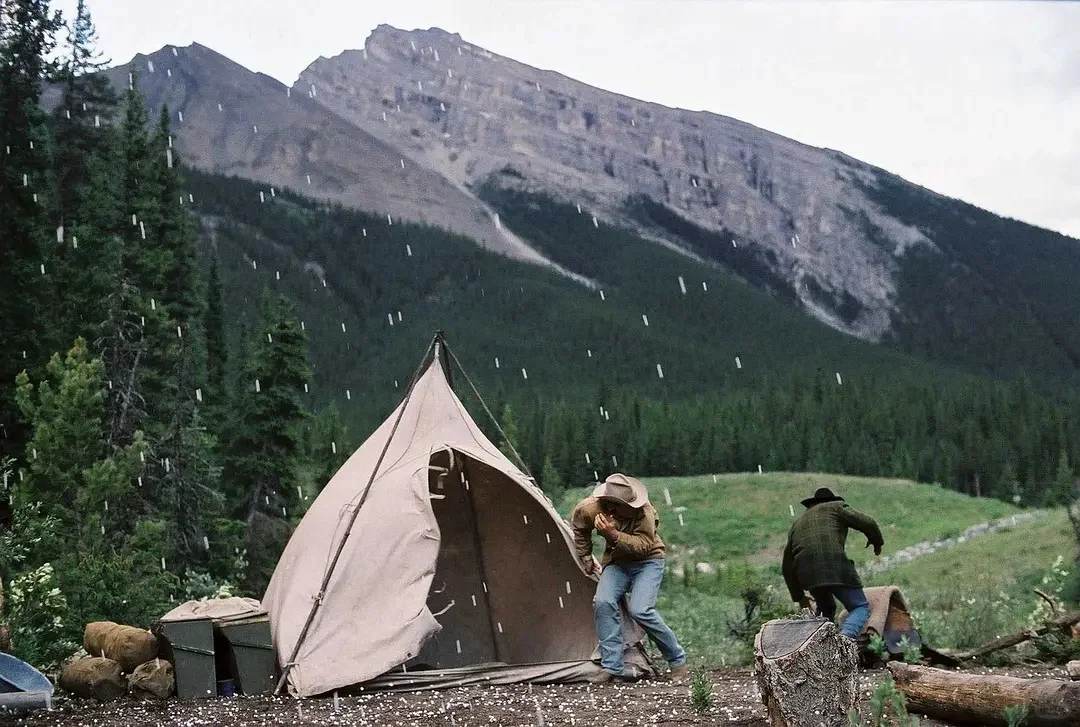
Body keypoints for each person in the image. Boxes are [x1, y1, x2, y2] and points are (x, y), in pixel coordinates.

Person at [570, 473, 688, 683]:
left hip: (649, 561)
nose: (634, 507)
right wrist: (586, 556)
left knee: (641, 610)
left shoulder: (645, 513)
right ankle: (611, 666)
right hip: (617, 562)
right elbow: (580, 526)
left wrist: (613, 535)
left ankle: (677, 660)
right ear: (613, 505)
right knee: (603, 602)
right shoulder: (590, 508)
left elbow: (643, 546)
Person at [782, 487, 884, 640]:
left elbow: (787, 566)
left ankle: (817, 643)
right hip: (834, 566)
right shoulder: (836, 507)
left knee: (826, 607)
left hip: (808, 574)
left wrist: (800, 597)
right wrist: (877, 542)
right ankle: (844, 640)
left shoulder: (797, 524)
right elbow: (867, 522)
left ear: (812, 504)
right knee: (859, 606)